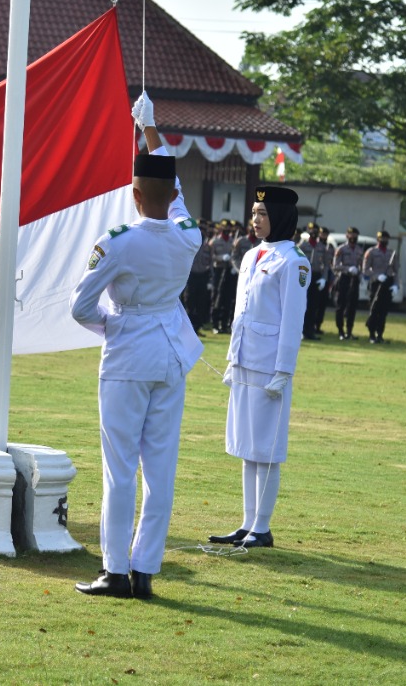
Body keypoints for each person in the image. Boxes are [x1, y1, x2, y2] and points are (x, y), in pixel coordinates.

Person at [69, 92, 202, 600]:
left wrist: (112, 326)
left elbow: (80, 307)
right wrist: (150, 131)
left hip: (128, 354)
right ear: (168, 196)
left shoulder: (119, 240)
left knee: (120, 470)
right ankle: (145, 570)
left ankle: (115, 570)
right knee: (160, 471)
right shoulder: (187, 234)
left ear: (133, 194)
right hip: (170, 354)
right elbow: (178, 194)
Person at [207, 185, 308, 552]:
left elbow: (292, 321)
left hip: (270, 367)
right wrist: (232, 360)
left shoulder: (293, 261)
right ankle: (248, 522)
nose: (255, 220)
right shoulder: (251, 256)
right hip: (246, 360)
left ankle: (262, 527)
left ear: (280, 217)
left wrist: (284, 369)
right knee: (248, 446)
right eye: (253, 213)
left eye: (262, 214)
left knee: (266, 449)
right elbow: (240, 313)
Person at [363, 230, 398, 343]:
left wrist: (395, 285)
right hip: (375, 284)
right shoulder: (371, 252)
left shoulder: (391, 253)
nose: (384, 240)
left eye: (386, 239)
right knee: (374, 310)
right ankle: (372, 334)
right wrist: (377, 276)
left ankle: (380, 334)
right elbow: (365, 270)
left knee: (383, 311)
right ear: (378, 239)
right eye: (382, 238)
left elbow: (396, 271)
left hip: (387, 283)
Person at [330, 227, 363, 340]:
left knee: (352, 306)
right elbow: (335, 266)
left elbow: (362, 265)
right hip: (343, 279)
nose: (353, 237)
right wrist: (348, 269)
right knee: (341, 305)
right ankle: (341, 331)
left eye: (355, 235)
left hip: (354, 280)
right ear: (347, 236)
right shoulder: (341, 249)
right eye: (351, 235)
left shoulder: (359, 249)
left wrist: (360, 272)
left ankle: (349, 331)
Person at [208, 220, 237, 334]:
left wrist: (234, 265)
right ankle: (215, 324)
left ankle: (224, 324)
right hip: (218, 270)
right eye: (225, 228)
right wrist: (221, 257)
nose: (227, 230)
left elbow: (235, 255)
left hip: (229, 271)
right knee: (217, 298)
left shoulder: (233, 241)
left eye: (229, 228)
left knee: (228, 298)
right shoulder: (214, 241)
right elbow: (211, 257)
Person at [184, 220, 213, 335]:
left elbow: (210, 262)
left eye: (204, 229)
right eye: (200, 228)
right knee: (190, 302)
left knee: (201, 303)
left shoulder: (208, 246)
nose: (202, 232)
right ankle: (188, 328)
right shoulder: (190, 244)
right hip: (191, 277)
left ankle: (197, 328)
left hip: (203, 277)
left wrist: (211, 279)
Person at [300, 222, 327, 340]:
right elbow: (297, 262)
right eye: (311, 231)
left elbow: (326, 264)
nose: (314, 233)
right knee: (302, 305)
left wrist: (324, 279)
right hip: (304, 275)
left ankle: (310, 331)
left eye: (315, 231)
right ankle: (301, 331)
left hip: (316, 276)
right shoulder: (302, 246)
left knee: (313, 306)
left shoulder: (321, 247)